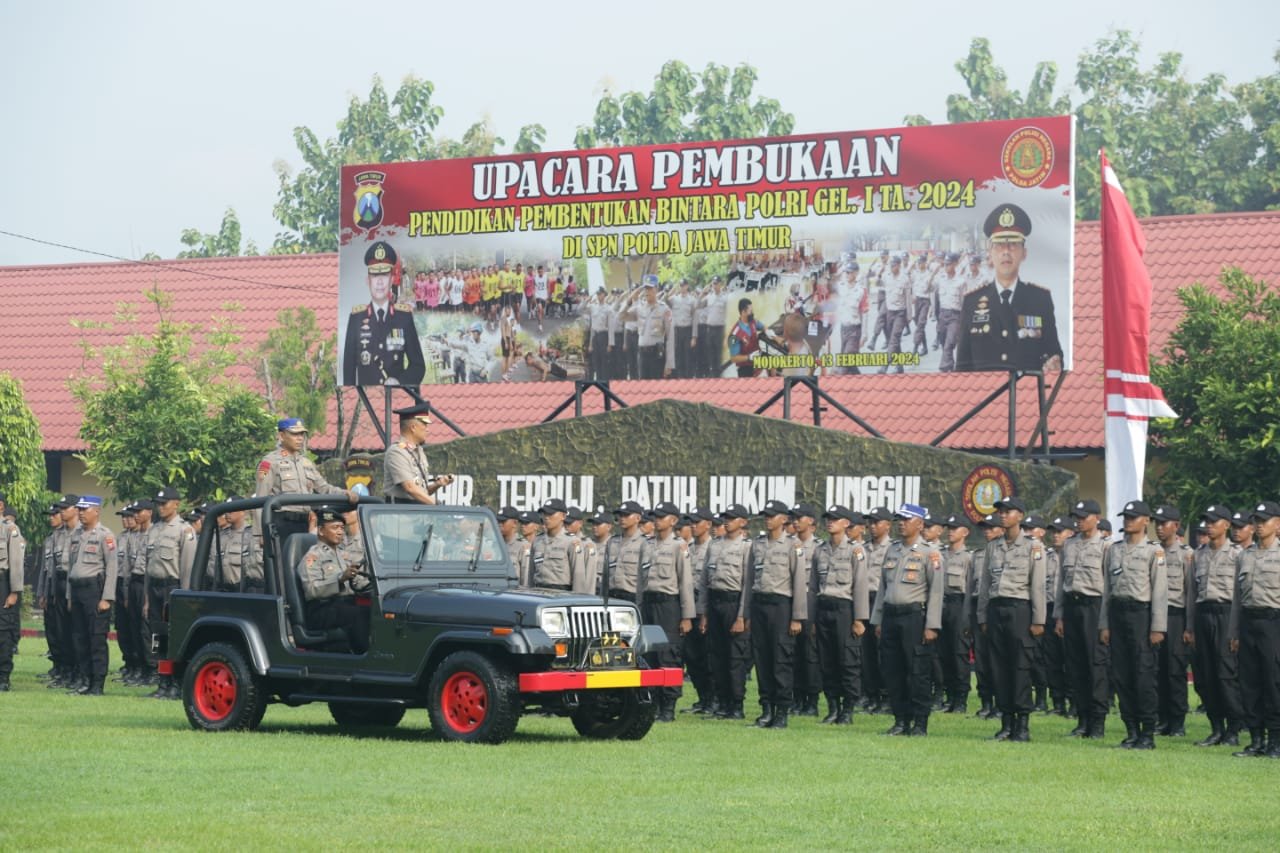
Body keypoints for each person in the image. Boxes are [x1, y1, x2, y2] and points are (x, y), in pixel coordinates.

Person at [955, 204, 1063, 372]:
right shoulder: (972, 302)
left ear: (1024, 253)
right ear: (990, 253)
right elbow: (962, 366)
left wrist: (1055, 363)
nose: (1006, 251)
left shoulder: (1040, 300)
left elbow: (1054, 353)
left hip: (1027, 394)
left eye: (1013, 244)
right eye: (999, 245)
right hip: (985, 396)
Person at [869, 503, 944, 737]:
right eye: (899, 519)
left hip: (914, 616)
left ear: (920, 524)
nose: (901, 523)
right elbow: (883, 587)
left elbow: (936, 591)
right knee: (893, 670)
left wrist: (931, 625)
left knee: (918, 671)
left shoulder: (929, 553)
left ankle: (920, 722)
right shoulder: (892, 550)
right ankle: (901, 719)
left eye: (906, 519)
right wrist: (878, 619)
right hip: (891, 616)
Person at [977, 496, 1046, 742]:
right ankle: (1006, 723)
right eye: (1000, 512)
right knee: (998, 668)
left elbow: (1038, 586)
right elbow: (985, 585)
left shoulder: (1032, 547)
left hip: (1020, 610)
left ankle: (1022, 725)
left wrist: (1039, 620)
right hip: (996, 610)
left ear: (1020, 515)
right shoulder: (993, 547)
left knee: (1020, 667)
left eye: (1007, 512)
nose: (1002, 515)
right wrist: (982, 615)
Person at [1101, 500, 1167, 749]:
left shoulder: (1153, 551)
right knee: (1121, 675)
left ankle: (1147, 733)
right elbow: (1107, 590)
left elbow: (1160, 591)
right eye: (1125, 516)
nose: (1128, 521)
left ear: (1145, 521)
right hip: (1118, 614)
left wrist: (1157, 627)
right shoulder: (1114, 550)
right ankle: (1131, 730)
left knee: (1143, 676)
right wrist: (1104, 624)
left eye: (1133, 517)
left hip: (1142, 615)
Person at [1187, 504, 1245, 747]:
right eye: (1206, 522)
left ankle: (1233, 728)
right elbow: (1191, 594)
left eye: (1214, 521)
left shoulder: (1238, 555)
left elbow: (1241, 595)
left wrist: (1236, 629)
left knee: (1225, 674)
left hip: (1226, 614)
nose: (1209, 526)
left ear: (1227, 525)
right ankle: (1216, 728)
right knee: (1204, 676)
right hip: (1203, 615)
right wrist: (1189, 627)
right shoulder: (1198, 555)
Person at [746, 500, 806, 729]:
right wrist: (746, 613)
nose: (768, 519)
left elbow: (799, 582)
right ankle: (766, 709)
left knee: (780, 659)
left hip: (781, 607)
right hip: (759, 605)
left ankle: (781, 711)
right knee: (762, 659)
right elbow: (749, 580)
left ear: (784, 519)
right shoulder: (758, 544)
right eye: (766, 516)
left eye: (772, 515)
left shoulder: (793, 545)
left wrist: (797, 617)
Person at [1054, 498, 1111, 738]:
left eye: (1083, 517)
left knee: (1095, 665)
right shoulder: (1069, 545)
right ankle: (1082, 718)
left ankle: (1097, 721)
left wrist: (1106, 621)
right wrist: (1059, 615)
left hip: (1094, 607)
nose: (1079, 521)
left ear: (1096, 519)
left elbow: (1109, 586)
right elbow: (1061, 582)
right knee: (1075, 666)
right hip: (1072, 606)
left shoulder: (1106, 546)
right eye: (1076, 517)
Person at [1229, 501, 1280, 758]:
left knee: (1273, 683)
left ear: (1278, 524)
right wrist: (1234, 632)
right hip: (1248, 623)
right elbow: (1237, 599)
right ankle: (1256, 739)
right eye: (1257, 520)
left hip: (1274, 623)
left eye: (1265, 520)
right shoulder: (1244, 555)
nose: (1260, 525)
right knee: (1249, 683)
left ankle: (1276, 740)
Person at [812, 506, 869, 724]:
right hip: (824, 608)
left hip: (845, 609)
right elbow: (814, 586)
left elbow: (861, 586)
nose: (830, 522)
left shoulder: (856, 551)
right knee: (827, 661)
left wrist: (859, 619)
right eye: (828, 519)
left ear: (846, 523)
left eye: (835, 519)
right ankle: (833, 706)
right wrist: (813, 617)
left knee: (847, 661)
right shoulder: (820, 550)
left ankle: (848, 709)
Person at [255, 418, 357, 540]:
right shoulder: (269, 462)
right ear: (281, 436)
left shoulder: (306, 463)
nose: (300, 438)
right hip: (282, 523)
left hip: (305, 523)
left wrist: (344, 493)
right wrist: (261, 533)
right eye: (294, 434)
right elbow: (260, 499)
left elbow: (324, 488)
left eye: (302, 434)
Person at [343, 240, 425, 386]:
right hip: (366, 402)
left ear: (392, 279)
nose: (380, 282)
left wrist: (400, 382)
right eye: (375, 276)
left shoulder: (404, 317)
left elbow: (418, 366)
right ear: (368, 280)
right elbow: (348, 370)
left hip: (395, 400)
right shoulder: (356, 318)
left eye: (385, 275)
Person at [698, 504, 753, 720]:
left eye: (732, 518)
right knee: (717, 657)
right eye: (725, 517)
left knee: (735, 658)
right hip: (715, 602)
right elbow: (704, 581)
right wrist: (704, 613)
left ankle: (736, 705)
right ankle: (722, 704)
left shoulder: (747, 547)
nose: (727, 521)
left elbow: (747, 585)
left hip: (734, 602)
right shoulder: (714, 546)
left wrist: (741, 616)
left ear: (743, 522)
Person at [643, 502, 695, 721]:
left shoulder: (679, 546)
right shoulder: (646, 545)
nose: (657, 520)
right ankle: (653, 703)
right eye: (655, 516)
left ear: (673, 521)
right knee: (650, 655)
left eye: (662, 517)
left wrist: (686, 616)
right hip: (648, 603)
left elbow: (686, 583)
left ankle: (668, 707)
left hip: (669, 605)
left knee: (669, 656)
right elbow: (640, 580)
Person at [144, 487, 197, 700]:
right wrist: (147, 598)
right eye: (158, 503)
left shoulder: (184, 530)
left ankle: (176, 683)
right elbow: (149, 566)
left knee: (174, 637)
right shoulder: (154, 529)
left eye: (164, 503)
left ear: (177, 504)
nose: (161, 507)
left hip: (173, 588)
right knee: (159, 638)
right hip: (155, 588)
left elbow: (187, 568)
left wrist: (184, 597)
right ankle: (163, 683)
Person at [297, 506, 371, 654]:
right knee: (358, 614)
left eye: (342, 528)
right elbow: (312, 590)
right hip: (322, 609)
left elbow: (355, 583)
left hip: (344, 605)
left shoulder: (344, 554)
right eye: (335, 527)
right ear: (321, 531)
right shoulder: (313, 557)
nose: (340, 532)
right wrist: (339, 578)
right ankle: (364, 655)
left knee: (378, 610)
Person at [64, 496, 118, 696]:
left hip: (95, 591)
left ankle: (97, 683)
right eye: (79, 509)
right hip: (77, 590)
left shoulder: (106, 535)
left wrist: (107, 598)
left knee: (96, 639)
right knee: (80, 638)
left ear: (96, 511)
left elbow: (112, 568)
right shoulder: (76, 535)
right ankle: (85, 680)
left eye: (85, 509)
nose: (81, 513)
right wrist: (70, 596)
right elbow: (71, 566)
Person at [1153, 505, 1193, 736]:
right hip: (1155, 617)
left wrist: (1189, 626)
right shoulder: (1153, 552)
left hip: (1176, 616)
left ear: (1176, 526)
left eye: (1164, 523)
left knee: (1175, 671)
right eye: (1157, 523)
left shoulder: (1186, 555)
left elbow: (1190, 593)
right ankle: (1162, 719)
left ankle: (1177, 722)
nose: (1159, 527)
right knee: (1157, 670)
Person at [383, 403, 454, 505]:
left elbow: (421, 491)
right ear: (413, 427)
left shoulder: (418, 451)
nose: (427, 429)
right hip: (400, 515)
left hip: (418, 512)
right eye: (424, 424)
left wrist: (438, 484)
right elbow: (410, 488)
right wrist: (438, 505)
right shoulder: (397, 452)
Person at [938, 514, 973, 713]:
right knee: (943, 653)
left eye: (955, 528)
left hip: (959, 606)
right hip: (941, 605)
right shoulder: (940, 554)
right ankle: (949, 696)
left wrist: (968, 616)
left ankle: (960, 699)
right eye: (949, 528)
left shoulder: (968, 557)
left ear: (965, 532)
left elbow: (970, 588)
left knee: (959, 653)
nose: (950, 531)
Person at [527, 499, 588, 592]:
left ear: (563, 516)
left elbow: (578, 577)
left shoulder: (572, 542)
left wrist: (576, 603)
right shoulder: (537, 541)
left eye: (550, 514)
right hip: (538, 593)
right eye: (544, 514)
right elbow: (531, 575)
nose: (546, 517)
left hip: (560, 596)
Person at [211, 497, 263, 594]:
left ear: (242, 511)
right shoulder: (221, 536)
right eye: (226, 511)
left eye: (231, 511)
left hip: (242, 590)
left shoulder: (251, 535)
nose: (227, 514)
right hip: (222, 590)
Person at [0, 496, 25, 692]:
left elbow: (16, 563)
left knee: (3, 631)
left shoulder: (9, 529)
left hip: (3, 583)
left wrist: (14, 591)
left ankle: (3, 677)